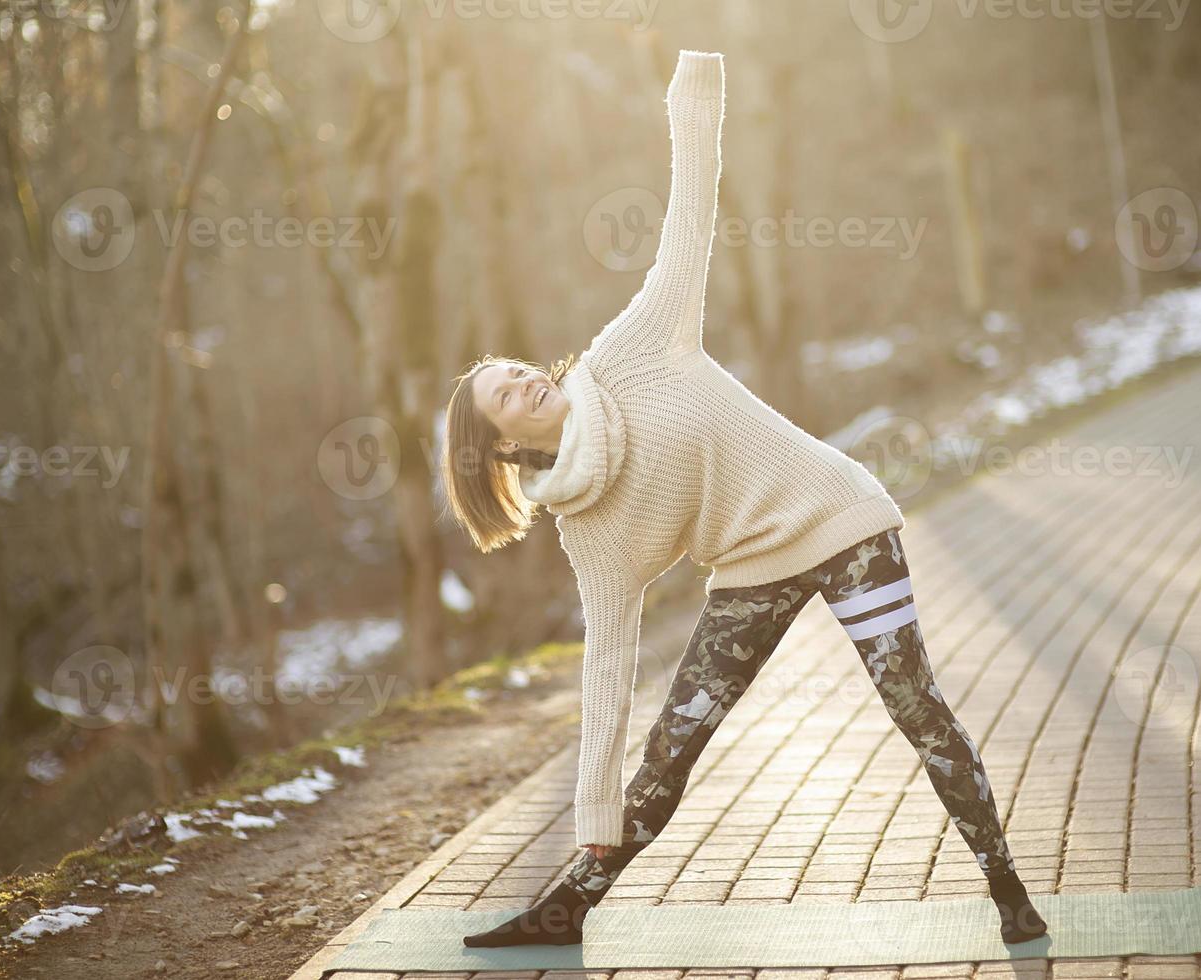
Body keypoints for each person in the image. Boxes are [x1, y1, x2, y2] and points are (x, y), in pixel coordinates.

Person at [441, 49, 1047, 948]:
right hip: (756, 564)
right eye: (503, 393)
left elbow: (688, 220)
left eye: (516, 368)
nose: (524, 379)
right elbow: (607, 663)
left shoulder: (634, 347)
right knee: (674, 742)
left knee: (915, 707)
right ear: (500, 445)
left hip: (841, 522)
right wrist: (593, 798)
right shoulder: (587, 529)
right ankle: (566, 907)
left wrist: (696, 88)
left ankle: (1008, 891)